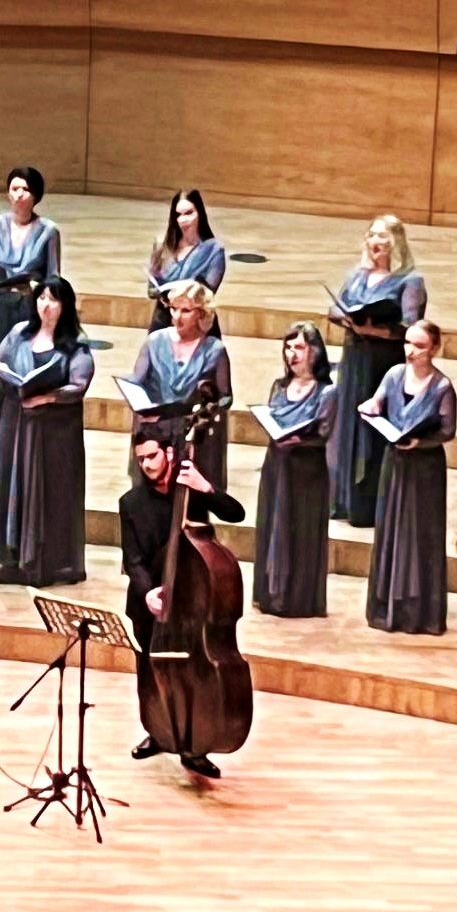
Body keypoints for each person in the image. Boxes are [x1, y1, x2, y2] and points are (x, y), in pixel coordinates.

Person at [122, 429, 246, 778]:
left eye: (152, 456)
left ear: (169, 453)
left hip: (194, 605)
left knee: (196, 671)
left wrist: (206, 488)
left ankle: (195, 745)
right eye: (141, 459)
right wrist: (148, 592)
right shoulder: (130, 503)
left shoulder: (192, 491)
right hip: (150, 604)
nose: (146, 464)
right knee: (151, 671)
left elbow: (236, 513)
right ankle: (159, 731)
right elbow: (133, 560)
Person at [0, 276, 93, 586]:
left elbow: (79, 385)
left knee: (51, 490)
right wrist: (10, 381)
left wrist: (47, 396)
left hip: (54, 432)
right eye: (42, 298)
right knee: (12, 485)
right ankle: (10, 559)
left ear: (66, 306)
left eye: (54, 299)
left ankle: (50, 562)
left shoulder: (76, 344)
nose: (46, 305)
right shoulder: (20, 333)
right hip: (16, 425)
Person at [357, 319, 454, 634]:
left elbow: (447, 430)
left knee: (419, 533)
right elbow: (378, 400)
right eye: (408, 343)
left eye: (420, 346)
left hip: (425, 469)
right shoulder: (394, 374)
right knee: (392, 528)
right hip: (396, 462)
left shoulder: (442, 387)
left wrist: (420, 442)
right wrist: (371, 406)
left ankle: (418, 611)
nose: (411, 351)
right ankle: (387, 604)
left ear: (434, 349)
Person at [327, 214, 423, 527]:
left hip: (384, 363)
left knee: (374, 430)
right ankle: (344, 499)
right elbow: (334, 308)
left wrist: (374, 330)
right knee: (348, 425)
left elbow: (410, 326)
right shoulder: (357, 275)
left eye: (382, 236)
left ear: (395, 242)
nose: (374, 242)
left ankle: (370, 505)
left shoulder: (410, 281)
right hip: (355, 360)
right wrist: (351, 322)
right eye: (371, 235)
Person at [0, 167, 64, 471]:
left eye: (25, 189)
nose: (18, 194)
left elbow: (54, 279)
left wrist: (38, 292)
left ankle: (15, 449)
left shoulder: (49, 231)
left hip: (26, 311)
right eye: (14, 188)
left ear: (35, 195)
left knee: (19, 375)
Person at [251, 323, 333, 618]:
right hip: (277, 466)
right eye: (288, 347)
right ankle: (269, 594)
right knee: (273, 525)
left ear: (315, 351)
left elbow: (324, 433)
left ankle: (297, 599)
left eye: (299, 348)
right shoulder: (279, 386)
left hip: (306, 472)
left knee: (300, 531)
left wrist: (298, 438)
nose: (291, 354)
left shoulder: (326, 392)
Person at [131, 283, 234, 491]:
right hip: (156, 434)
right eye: (173, 309)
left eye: (185, 310)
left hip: (191, 438)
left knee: (187, 504)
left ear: (202, 313)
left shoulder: (214, 350)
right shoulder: (154, 342)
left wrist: (208, 407)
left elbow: (225, 397)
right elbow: (136, 383)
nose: (177, 316)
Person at [146, 187, 227, 304]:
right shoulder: (161, 244)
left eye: (189, 213)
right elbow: (151, 291)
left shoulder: (214, 250)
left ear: (199, 213)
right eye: (178, 215)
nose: (183, 219)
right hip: (164, 315)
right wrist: (169, 295)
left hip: (195, 316)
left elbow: (208, 293)